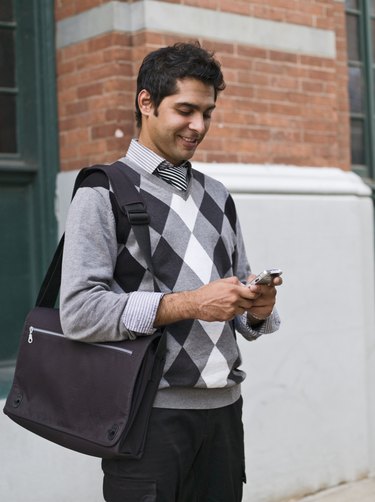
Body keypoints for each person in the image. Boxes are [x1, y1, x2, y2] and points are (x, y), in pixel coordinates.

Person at [60, 41, 282, 502]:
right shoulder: (102, 191)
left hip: (225, 413)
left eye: (208, 112)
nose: (198, 126)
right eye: (185, 109)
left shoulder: (218, 194)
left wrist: (256, 308)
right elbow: (79, 313)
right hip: (147, 419)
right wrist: (189, 303)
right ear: (146, 102)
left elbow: (236, 310)